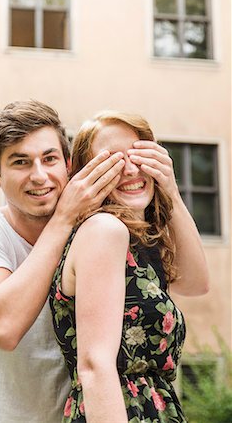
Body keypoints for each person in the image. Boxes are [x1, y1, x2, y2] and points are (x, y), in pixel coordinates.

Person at [0, 100, 126, 423]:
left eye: (49, 159)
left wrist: (169, 187)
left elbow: (193, 283)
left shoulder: (91, 236)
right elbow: (3, 327)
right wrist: (64, 217)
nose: (39, 175)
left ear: (68, 165)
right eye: (21, 162)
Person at [49, 110, 209, 423]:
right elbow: (95, 366)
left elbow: (196, 283)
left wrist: (170, 189)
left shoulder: (137, 244)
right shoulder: (104, 231)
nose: (132, 169)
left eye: (140, 155)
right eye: (113, 161)